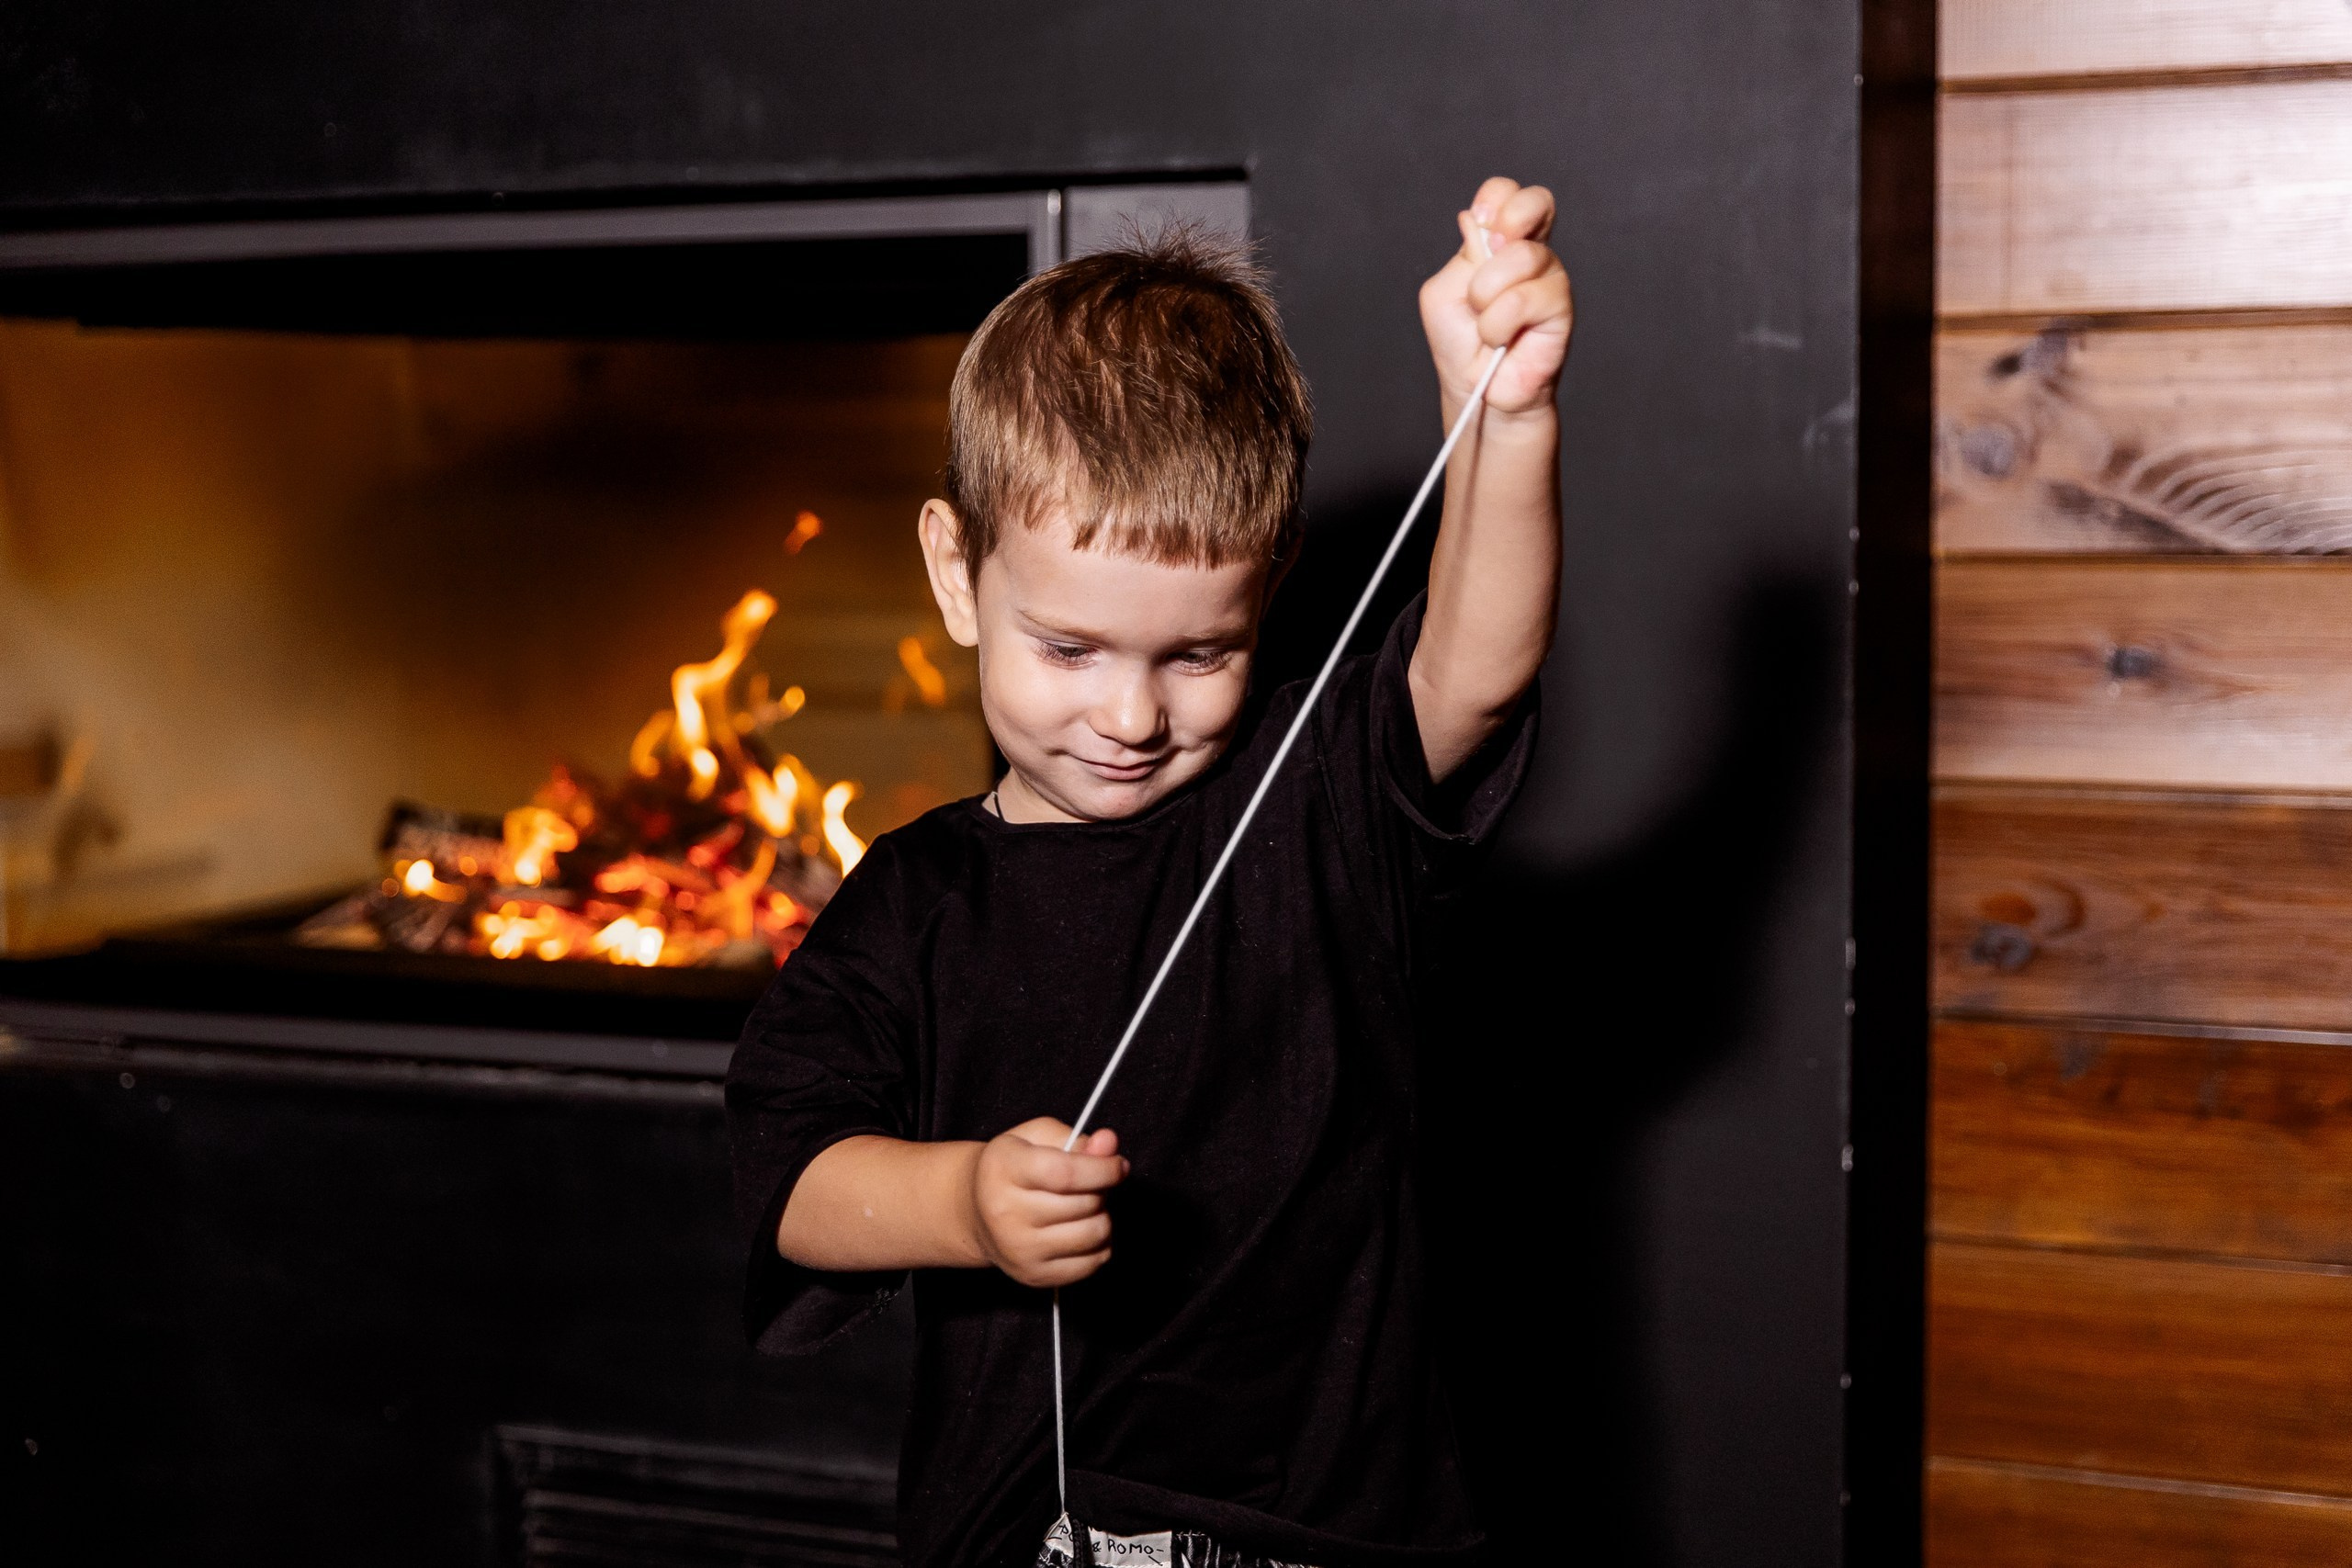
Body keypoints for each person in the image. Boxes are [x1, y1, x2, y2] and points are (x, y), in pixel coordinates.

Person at [727, 176, 1571, 1568]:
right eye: (1068, 650)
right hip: (1038, 1533)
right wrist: (966, 1206)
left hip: (1343, 1528)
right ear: (957, 575)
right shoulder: (917, 900)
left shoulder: (1314, 803)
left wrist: (1508, 414)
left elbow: (1473, 668)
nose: (1129, 718)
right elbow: (793, 1184)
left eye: (1197, 654)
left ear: (1271, 587)